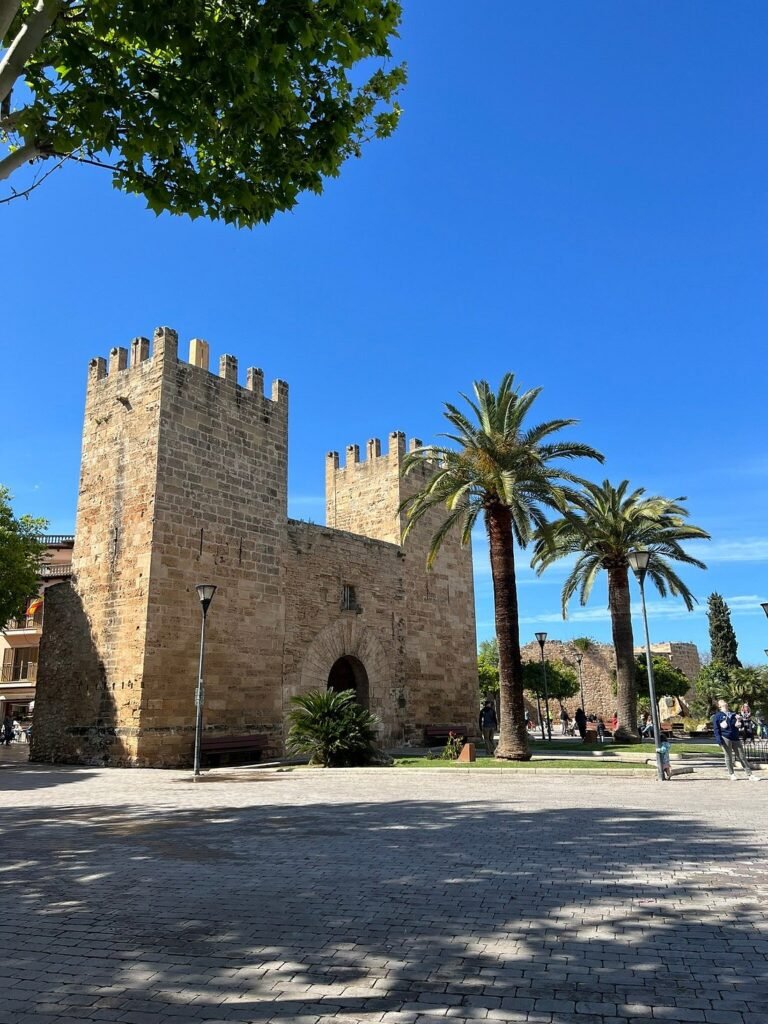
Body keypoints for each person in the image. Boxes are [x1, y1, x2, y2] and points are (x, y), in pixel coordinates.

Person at [712, 699, 759, 781]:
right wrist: (719, 740)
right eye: (722, 702)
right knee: (728, 756)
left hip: (735, 738)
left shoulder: (733, 714)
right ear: (719, 706)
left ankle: (750, 775)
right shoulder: (718, 716)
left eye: (725, 702)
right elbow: (716, 729)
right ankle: (732, 774)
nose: (724, 703)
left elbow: (739, 726)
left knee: (742, 756)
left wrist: (739, 720)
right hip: (725, 738)